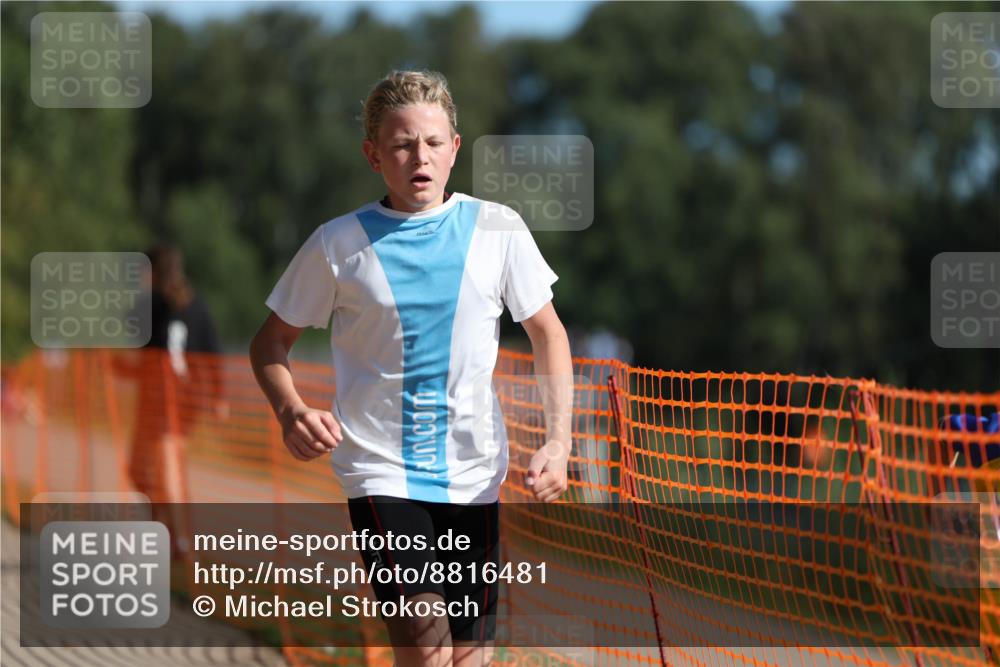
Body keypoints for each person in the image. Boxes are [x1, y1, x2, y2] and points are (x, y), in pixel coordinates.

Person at [249, 70, 574, 667]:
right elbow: (269, 344)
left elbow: (548, 333)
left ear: (455, 148)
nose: (417, 157)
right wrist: (291, 409)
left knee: (470, 657)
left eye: (431, 142)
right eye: (401, 144)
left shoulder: (497, 229)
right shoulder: (337, 245)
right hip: (380, 472)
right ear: (374, 156)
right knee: (426, 644)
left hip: (475, 474)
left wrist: (559, 439)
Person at [119, 243, 225, 556]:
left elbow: (210, 353)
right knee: (140, 471)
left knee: (166, 471)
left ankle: (180, 542)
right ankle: (164, 533)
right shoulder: (176, 304)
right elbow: (152, 363)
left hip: (173, 402)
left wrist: (219, 395)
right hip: (159, 401)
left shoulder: (157, 305)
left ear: (151, 272)